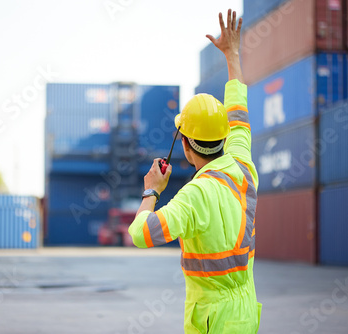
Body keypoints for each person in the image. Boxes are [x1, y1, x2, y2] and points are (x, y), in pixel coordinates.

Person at [128, 9, 261, 333]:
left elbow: (140, 234)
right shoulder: (243, 163)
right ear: (224, 136)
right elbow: (238, 109)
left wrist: (152, 191)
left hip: (214, 321)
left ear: (185, 145)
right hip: (245, 312)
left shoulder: (193, 197)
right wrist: (232, 54)